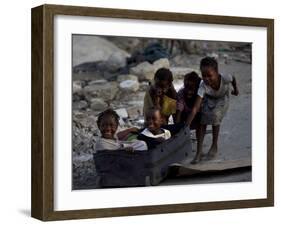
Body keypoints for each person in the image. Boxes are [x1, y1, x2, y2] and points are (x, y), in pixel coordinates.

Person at [186, 57, 239, 164]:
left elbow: (233, 78)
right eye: (203, 75)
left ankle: (214, 145)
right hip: (209, 99)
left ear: (217, 72)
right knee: (202, 120)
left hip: (222, 98)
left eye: (209, 75)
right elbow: (195, 108)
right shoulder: (203, 85)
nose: (206, 79)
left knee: (215, 116)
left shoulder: (224, 78)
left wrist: (236, 90)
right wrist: (187, 124)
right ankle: (199, 152)